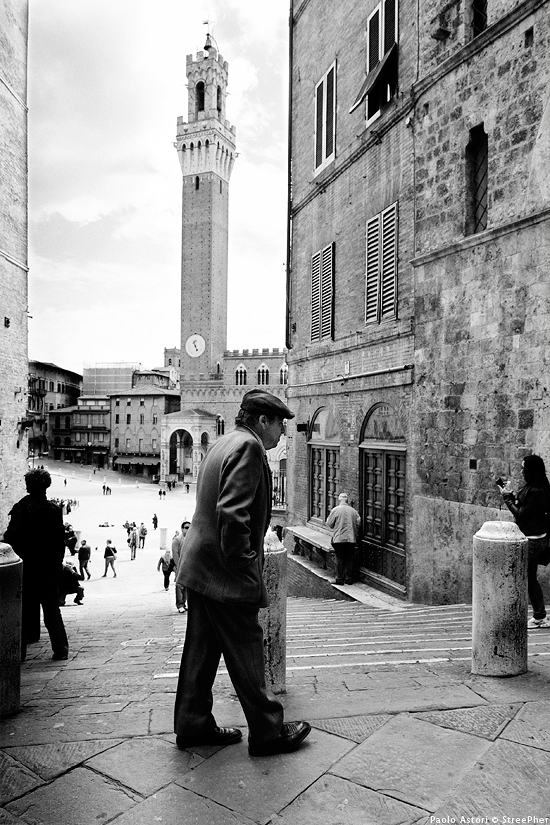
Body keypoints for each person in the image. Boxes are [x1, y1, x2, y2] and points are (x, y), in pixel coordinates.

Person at [173, 388, 311, 756]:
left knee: (200, 650)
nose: (282, 432)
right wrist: (244, 567)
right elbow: (232, 514)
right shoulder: (249, 448)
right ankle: (268, 731)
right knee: (248, 645)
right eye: (279, 423)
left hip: (200, 564)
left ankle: (192, 723)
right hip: (223, 570)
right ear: (262, 421)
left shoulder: (223, 442)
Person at [3, 468, 69, 661]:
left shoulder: (22, 508)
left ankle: (20, 653)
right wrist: (57, 562)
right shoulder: (55, 509)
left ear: (28, 486)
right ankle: (61, 649)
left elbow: (11, 537)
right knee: (51, 609)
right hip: (50, 566)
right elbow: (60, 541)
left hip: (29, 566)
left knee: (23, 609)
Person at [500, 455, 550, 628]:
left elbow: (521, 514)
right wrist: (511, 495)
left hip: (533, 541)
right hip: (533, 539)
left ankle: (516, 614)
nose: (521, 471)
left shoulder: (537, 491)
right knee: (529, 578)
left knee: (514, 574)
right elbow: (524, 508)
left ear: (531, 470)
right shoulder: (534, 488)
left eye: (523, 468)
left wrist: (507, 499)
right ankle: (539, 616)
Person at [326, 493, 361, 585]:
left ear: (339, 500)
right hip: (351, 538)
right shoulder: (353, 511)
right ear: (347, 500)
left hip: (339, 539)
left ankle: (339, 578)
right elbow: (358, 522)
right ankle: (349, 578)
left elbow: (329, 523)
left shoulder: (335, 510)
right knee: (350, 558)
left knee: (339, 558)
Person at [172, 521, 191, 612]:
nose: (188, 529)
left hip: (189, 567)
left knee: (186, 586)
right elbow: (175, 555)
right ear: (182, 529)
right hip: (180, 566)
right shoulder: (177, 540)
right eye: (186, 528)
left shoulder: (190, 539)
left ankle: (183, 603)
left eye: (190, 528)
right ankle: (180, 605)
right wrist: (178, 567)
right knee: (179, 586)